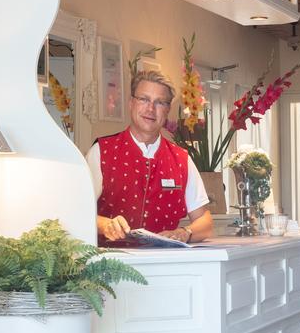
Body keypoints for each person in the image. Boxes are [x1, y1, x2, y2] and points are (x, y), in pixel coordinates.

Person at [86, 69, 214, 244]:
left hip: (165, 265)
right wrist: (104, 224)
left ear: (167, 110)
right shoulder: (102, 151)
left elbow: (205, 221)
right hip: (110, 265)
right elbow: (77, 211)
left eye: (160, 102)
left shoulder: (182, 159)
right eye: (144, 99)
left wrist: (185, 232)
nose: (151, 109)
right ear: (131, 103)